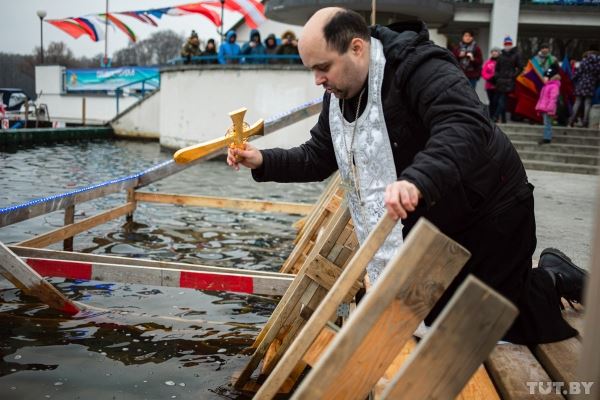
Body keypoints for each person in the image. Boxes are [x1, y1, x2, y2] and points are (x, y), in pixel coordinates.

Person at [227, 7, 587, 345]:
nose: (318, 79)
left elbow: (462, 123)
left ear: (356, 48)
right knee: (435, 320)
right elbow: (318, 157)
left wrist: (417, 180)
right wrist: (262, 160)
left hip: (490, 209)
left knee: (497, 322)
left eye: (322, 67)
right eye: (312, 70)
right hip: (435, 218)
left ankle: (554, 276)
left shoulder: (420, 64)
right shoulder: (339, 91)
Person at [493, 36, 523, 123]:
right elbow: (497, 68)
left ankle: (495, 116)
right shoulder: (501, 56)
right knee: (500, 100)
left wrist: (513, 76)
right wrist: (497, 77)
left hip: (509, 81)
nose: (507, 45)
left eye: (509, 44)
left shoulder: (516, 55)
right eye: (506, 44)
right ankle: (503, 119)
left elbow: (520, 67)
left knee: (502, 99)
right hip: (500, 81)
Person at [569, 48, 600, 127]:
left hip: (581, 83)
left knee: (577, 102)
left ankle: (571, 120)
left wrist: (572, 79)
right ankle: (585, 122)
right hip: (591, 84)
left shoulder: (584, 62)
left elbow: (578, 73)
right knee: (587, 103)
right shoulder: (598, 64)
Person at [535, 66, 561, 144]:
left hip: (548, 109)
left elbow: (553, 99)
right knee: (546, 123)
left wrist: (550, 109)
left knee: (547, 123)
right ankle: (546, 136)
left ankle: (547, 138)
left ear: (550, 77)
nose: (544, 78)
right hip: (544, 108)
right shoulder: (546, 86)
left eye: (545, 77)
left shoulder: (554, 86)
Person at [482, 47, 501, 119]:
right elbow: (483, 72)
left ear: (499, 53)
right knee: (491, 101)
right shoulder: (488, 62)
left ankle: (496, 116)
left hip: (498, 85)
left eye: (496, 51)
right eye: (493, 51)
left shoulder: (501, 62)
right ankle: (490, 116)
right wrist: (490, 78)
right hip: (489, 85)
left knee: (496, 101)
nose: (494, 53)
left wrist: (496, 78)